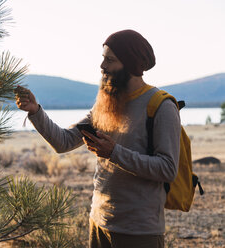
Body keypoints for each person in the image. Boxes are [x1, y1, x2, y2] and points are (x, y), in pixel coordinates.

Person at [15, 29, 181, 248]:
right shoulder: (105, 104)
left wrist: (114, 153)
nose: (102, 66)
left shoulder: (162, 107)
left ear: (130, 64)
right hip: (99, 223)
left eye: (110, 60)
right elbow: (63, 142)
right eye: (103, 58)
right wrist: (35, 111)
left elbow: (168, 168)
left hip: (139, 231)